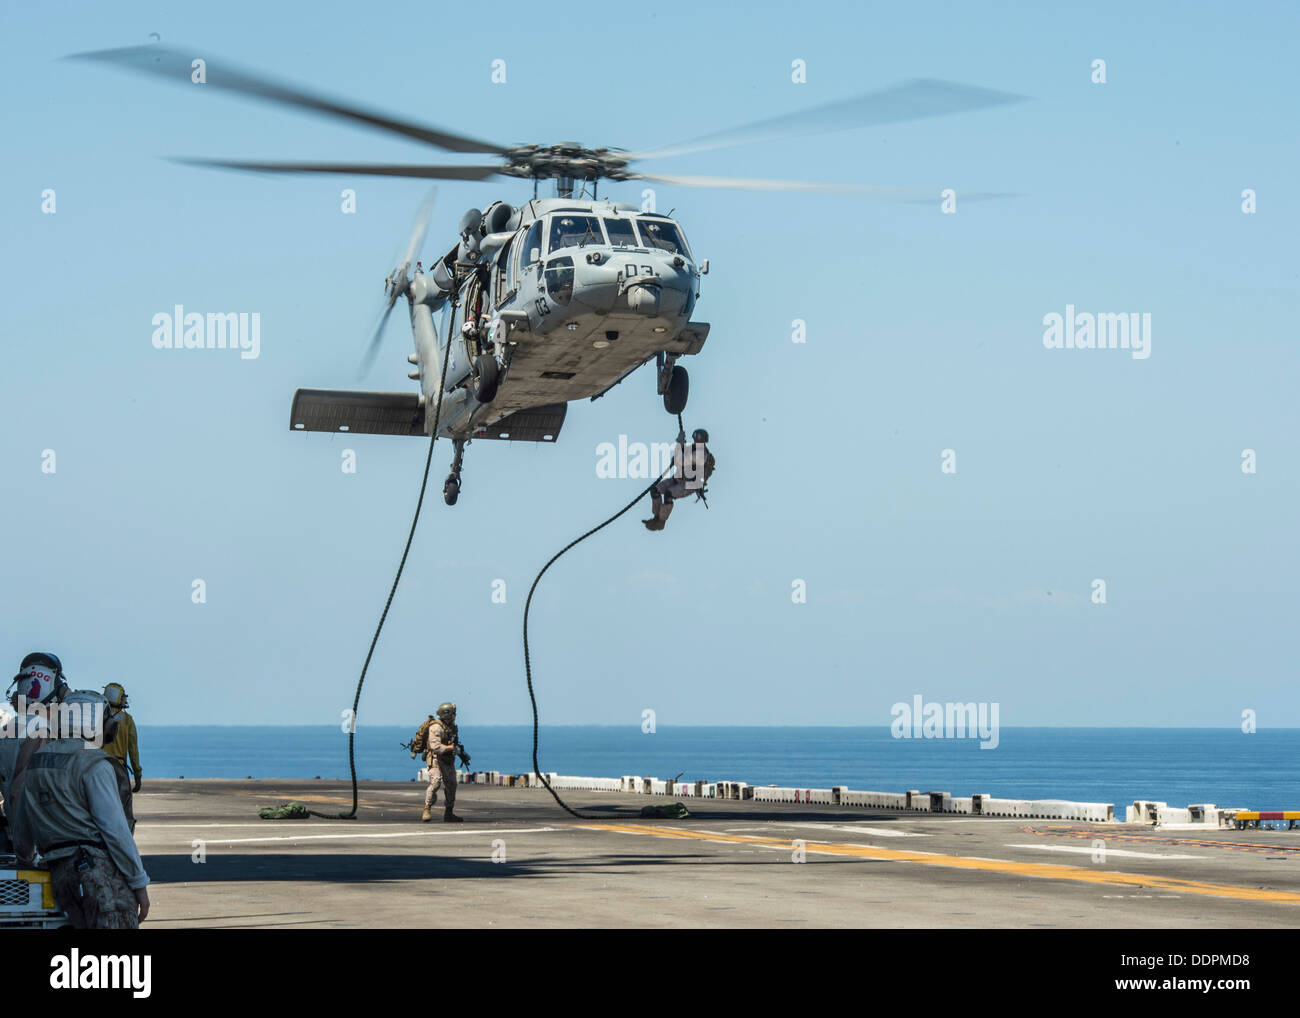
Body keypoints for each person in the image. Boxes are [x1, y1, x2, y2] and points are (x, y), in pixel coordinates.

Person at [9, 689, 150, 929]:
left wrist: (28, 859)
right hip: (97, 873)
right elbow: (115, 831)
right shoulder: (95, 764)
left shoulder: (37, 762)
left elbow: (22, 830)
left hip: (59, 874)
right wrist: (139, 883)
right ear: (97, 722)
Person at [643, 428, 715, 531]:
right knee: (655, 490)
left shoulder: (702, 454)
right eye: (695, 439)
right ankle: (656, 517)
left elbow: (681, 461)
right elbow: (678, 460)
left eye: (698, 440)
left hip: (690, 484)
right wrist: (680, 445)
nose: (696, 441)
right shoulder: (691, 449)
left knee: (669, 494)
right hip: (679, 478)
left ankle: (661, 521)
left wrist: (679, 444)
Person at [101, 683, 141, 833]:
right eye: (123, 697)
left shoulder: (98, 718)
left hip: (98, 766)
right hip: (119, 769)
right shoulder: (127, 720)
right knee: (125, 811)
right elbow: (133, 750)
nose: (125, 700)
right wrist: (138, 776)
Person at [422, 702, 468, 823]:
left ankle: (449, 813)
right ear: (447, 714)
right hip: (435, 758)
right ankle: (427, 808)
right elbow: (435, 747)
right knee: (436, 782)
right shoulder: (436, 728)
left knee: (452, 784)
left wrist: (463, 755)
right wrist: (451, 748)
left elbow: (454, 743)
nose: (455, 715)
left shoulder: (451, 727)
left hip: (447, 759)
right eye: (453, 713)